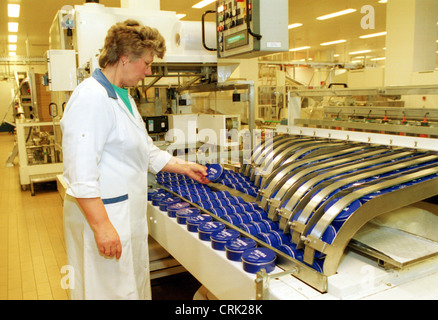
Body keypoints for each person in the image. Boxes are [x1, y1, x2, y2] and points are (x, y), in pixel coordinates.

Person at [60, 19, 209, 300]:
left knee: (129, 287)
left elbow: (146, 149)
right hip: (104, 216)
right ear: (126, 58)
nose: (149, 71)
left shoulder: (123, 97)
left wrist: (184, 167)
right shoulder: (92, 97)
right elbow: (80, 171)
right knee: (106, 290)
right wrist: (102, 227)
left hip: (122, 214)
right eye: (147, 63)